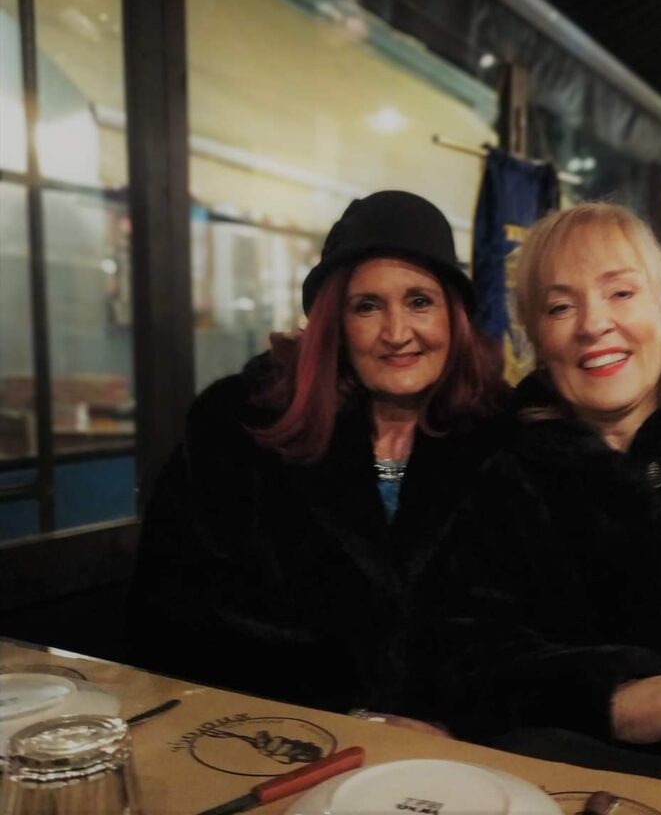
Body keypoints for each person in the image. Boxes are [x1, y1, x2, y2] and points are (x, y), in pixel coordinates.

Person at [415, 202, 661, 784]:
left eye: (621, 293)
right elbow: (460, 658)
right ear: (537, 339)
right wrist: (624, 697)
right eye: (560, 307)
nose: (593, 324)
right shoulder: (506, 475)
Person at [127, 190, 509, 723]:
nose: (397, 333)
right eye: (367, 306)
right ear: (336, 324)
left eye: (419, 301)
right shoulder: (236, 427)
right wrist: (340, 715)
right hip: (274, 737)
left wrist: (454, 723)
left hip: (464, 753)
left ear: (454, 315)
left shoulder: (504, 434)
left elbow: (525, 631)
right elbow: (176, 617)